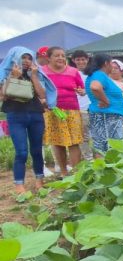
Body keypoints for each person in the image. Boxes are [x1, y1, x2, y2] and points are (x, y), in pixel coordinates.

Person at [0, 46, 57, 194]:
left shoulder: (36, 73)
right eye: (23, 57)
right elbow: (3, 96)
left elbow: (43, 94)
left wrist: (33, 76)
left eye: (29, 58)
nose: (26, 61)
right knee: (21, 152)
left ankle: (39, 180)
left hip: (35, 114)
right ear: (15, 58)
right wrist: (13, 77)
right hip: (15, 115)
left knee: (37, 150)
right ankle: (19, 183)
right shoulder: (5, 73)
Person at [41, 46, 84, 175]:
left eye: (62, 56)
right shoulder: (42, 72)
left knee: (74, 141)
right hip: (52, 111)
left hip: (72, 110)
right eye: (57, 55)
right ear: (48, 58)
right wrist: (42, 99)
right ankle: (64, 172)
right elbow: (38, 89)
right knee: (57, 141)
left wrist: (82, 91)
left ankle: (77, 174)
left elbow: (81, 88)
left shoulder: (73, 71)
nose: (60, 58)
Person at [84, 54, 123, 156]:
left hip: (106, 115)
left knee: (104, 146)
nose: (112, 66)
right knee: (109, 147)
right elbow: (95, 87)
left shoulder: (97, 75)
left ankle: (105, 169)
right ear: (106, 63)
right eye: (111, 63)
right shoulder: (99, 74)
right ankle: (107, 170)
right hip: (106, 116)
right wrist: (105, 101)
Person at [71, 50, 93, 160]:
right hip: (79, 108)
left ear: (87, 60)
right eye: (78, 60)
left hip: (94, 107)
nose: (81, 62)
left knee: (95, 135)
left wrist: (87, 91)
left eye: (83, 59)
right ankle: (88, 160)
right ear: (73, 60)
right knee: (83, 136)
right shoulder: (71, 73)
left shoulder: (93, 73)